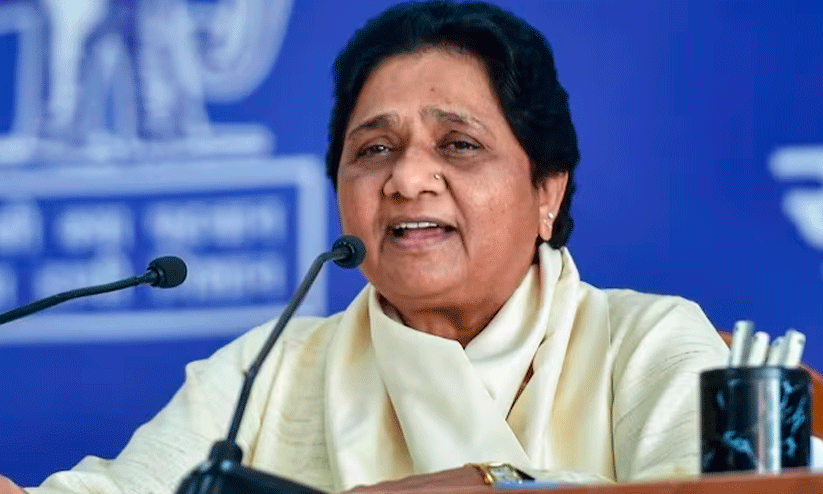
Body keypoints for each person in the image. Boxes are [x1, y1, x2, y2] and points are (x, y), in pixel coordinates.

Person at [1, 1, 728, 493]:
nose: (407, 180)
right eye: (375, 149)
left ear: (547, 190)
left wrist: (487, 483)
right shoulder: (270, 370)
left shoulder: (646, 343)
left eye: (458, 144)